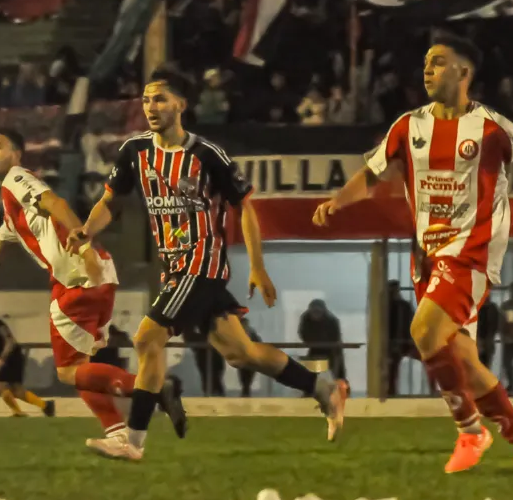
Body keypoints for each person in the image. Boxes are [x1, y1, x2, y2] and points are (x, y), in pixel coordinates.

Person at [313, 32, 513, 474]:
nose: (427, 70)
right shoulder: (408, 126)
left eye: (437, 62)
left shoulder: (495, 128)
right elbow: (372, 174)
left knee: (424, 331)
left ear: (463, 72)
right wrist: (338, 201)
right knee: (465, 361)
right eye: (426, 63)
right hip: (427, 256)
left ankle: (470, 430)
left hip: (472, 251)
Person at [70, 66, 348, 459]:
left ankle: (132, 442)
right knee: (242, 353)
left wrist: (257, 266)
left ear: (181, 105)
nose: (151, 106)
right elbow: (111, 201)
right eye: (146, 99)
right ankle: (323, 387)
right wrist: (86, 230)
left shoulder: (206, 154)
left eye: (160, 98)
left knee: (147, 339)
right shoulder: (134, 151)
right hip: (175, 269)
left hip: (200, 265)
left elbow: (245, 207)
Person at [0, 129, 175, 441]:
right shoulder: (10, 213)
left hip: (78, 275)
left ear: (17, 154)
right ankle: (117, 435)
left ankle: (151, 390)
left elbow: (55, 202)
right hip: (93, 274)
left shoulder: (17, 178)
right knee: (80, 369)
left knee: (68, 371)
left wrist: (84, 246)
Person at [0, 303, 51, 416]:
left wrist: (2, 359)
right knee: (16, 390)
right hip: (2, 359)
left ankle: (18, 412)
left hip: (12, 357)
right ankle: (45, 405)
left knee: (0, 385)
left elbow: (10, 342)